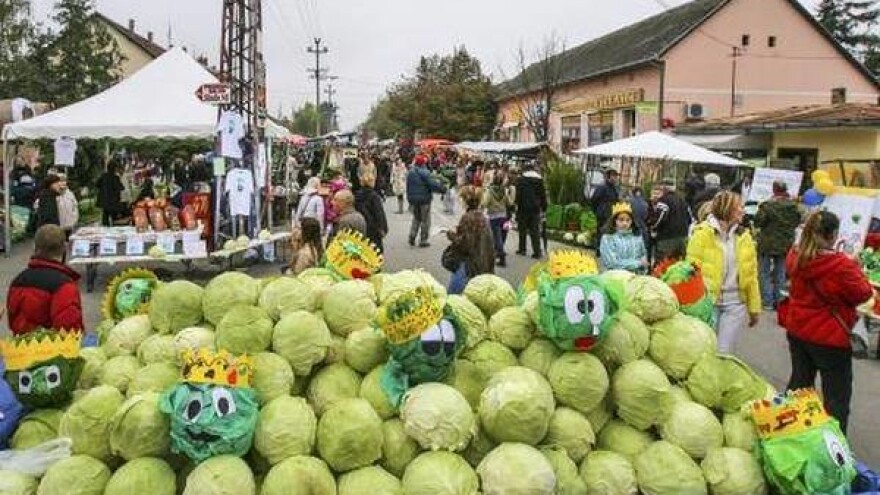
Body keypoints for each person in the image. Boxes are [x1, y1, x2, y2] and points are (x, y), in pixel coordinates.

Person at [783, 211, 871, 433]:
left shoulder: (795, 255)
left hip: (798, 330)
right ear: (833, 235)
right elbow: (863, 293)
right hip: (829, 337)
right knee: (836, 398)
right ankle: (833, 446)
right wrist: (857, 267)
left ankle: (789, 432)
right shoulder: (841, 265)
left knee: (799, 386)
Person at [687, 191, 761, 354]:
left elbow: (751, 274)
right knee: (706, 348)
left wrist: (754, 307)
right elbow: (690, 271)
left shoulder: (744, 236)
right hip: (709, 302)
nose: (743, 211)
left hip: (735, 303)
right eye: (738, 207)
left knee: (723, 352)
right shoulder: (701, 234)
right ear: (726, 209)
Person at [7, 224, 83, 335]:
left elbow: (12, 320)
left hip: (20, 347)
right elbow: (69, 329)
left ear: (35, 247)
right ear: (64, 248)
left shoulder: (17, 281)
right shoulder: (64, 285)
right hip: (51, 349)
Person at [754, 181, 802, 310]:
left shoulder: (767, 205)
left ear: (774, 190)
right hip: (785, 244)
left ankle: (767, 301)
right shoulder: (794, 206)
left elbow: (758, 222)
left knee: (764, 272)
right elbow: (797, 222)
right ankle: (780, 301)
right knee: (780, 272)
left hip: (767, 243)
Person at [446, 186, 495, 294]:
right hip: (484, 265)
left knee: (453, 297)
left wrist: (451, 235)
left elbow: (465, 245)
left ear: (466, 201)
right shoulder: (482, 217)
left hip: (470, 266)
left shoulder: (468, 217)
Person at [406, 154, 447, 248]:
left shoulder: (410, 173)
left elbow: (408, 186)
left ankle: (412, 236)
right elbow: (433, 184)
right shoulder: (425, 172)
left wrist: (409, 198)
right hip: (424, 200)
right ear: (423, 163)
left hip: (413, 200)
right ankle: (423, 240)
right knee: (425, 220)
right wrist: (443, 189)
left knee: (416, 218)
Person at [600, 202, 648, 273]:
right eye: (621, 220)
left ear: (632, 221)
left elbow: (643, 255)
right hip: (615, 278)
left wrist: (643, 265)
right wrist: (638, 263)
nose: (625, 223)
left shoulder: (637, 236)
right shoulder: (608, 238)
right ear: (614, 221)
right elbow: (612, 263)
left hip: (635, 277)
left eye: (628, 220)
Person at [650, 181, 691, 262]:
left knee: (662, 265)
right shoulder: (682, 200)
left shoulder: (664, 200)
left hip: (667, 238)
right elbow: (689, 218)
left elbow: (660, 217)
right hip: (683, 237)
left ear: (664, 189)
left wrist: (653, 227)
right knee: (678, 266)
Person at [515, 163, 547, 259]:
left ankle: (522, 249)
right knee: (535, 230)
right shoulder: (539, 180)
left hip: (523, 208)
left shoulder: (521, 180)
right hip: (535, 209)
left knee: (522, 230)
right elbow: (543, 195)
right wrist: (544, 207)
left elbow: (518, 194)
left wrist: (517, 204)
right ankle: (537, 252)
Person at [483, 171, 512, 267]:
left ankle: (501, 256)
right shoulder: (504, 191)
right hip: (503, 216)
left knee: (496, 237)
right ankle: (497, 254)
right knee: (501, 236)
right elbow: (509, 203)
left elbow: (485, 203)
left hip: (493, 217)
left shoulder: (490, 191)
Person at [354, 172, 388, 252]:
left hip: (361, 224)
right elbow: (379, 213)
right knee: (375, 249)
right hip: (373, 227)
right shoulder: (374, 196)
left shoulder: (357, 196)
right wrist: (383, 228)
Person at [97, 161, 125, 226]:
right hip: (113, 202)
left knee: (105, 218)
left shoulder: (103, 176)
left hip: (105, 202)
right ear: (114, 168)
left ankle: (105, 229)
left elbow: (97, 184)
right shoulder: (115, 178)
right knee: (115, 220)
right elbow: (121, 188)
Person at [56, 173, 79, 239]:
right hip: (58, 226)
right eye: (60, 181)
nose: (63, 183)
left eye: (64, 180)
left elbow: (75, 206)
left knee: (68, 241)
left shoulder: (70, 194)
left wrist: (74, 219)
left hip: (69, 225)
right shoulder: (53, 194)